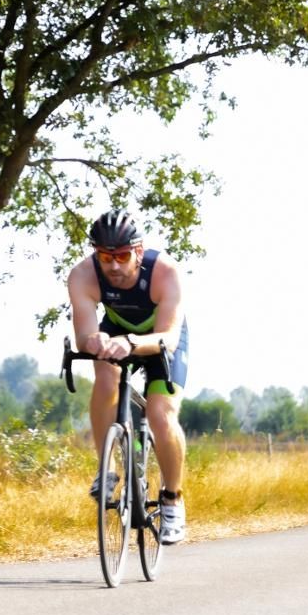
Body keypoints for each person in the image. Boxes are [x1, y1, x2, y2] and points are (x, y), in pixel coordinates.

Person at [67, 209, 190, 544]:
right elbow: (85, 333)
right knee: (105, 377)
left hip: (160, 339)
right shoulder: (82, 275)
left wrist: (133, 342)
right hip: (116, 329)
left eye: (122, 255)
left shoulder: (165, 272)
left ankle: (172, 500)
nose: (114, 266)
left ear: (138, 251)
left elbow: (170, 338)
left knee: (160, 415)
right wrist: (95, 341)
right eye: (105, 256)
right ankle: (106, 467)